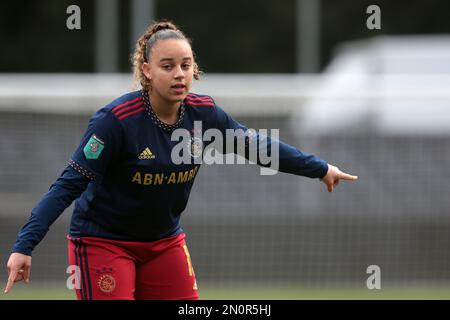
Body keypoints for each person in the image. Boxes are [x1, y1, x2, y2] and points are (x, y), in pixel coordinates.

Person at [4, 20, 358, 300]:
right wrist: (24, 246)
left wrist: (320, 168)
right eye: (168, 66)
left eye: (185, 65)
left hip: (163, 243)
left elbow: (258, 146)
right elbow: (67, 185)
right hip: (102, 244)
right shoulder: (114, 122)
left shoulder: (205, 115)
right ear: (146, 70)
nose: (179, 74)